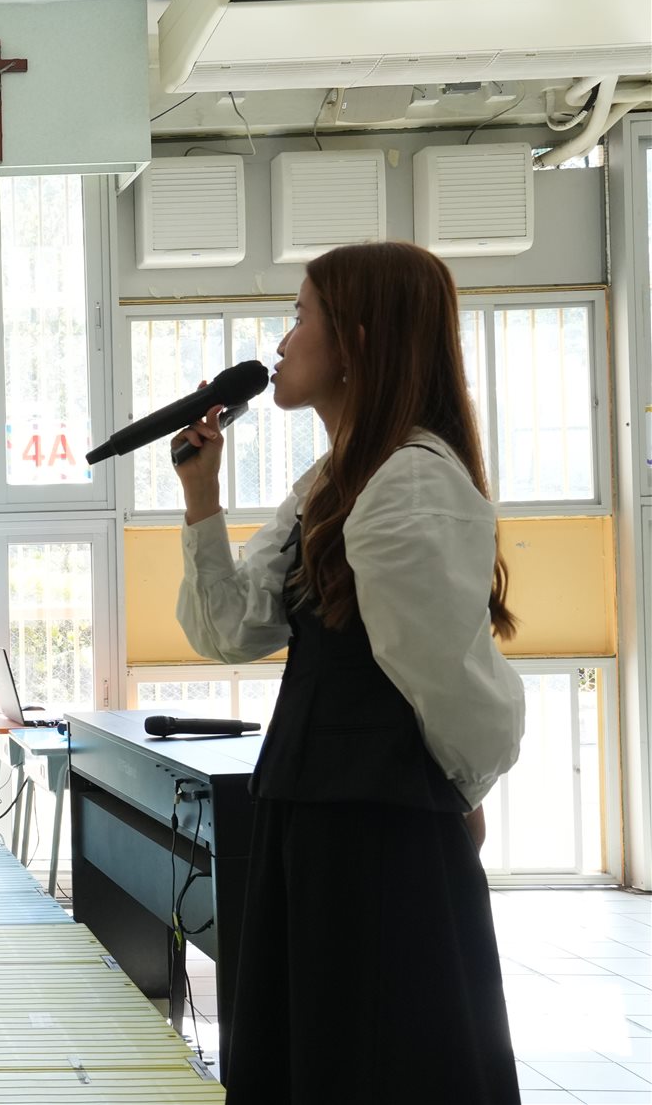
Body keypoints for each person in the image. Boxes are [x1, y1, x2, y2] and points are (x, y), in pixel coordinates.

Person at [172, 240, 523, 1104]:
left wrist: (462, 789)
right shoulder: (330, 479)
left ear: (356, 341)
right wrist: (202, 497)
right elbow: (232, 629)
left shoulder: (410, 481)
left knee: (379, 1055)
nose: (282, 341)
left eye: (301, 317)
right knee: (325, 1048)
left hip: (379, 822)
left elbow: (446, 679)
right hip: (314, 812)